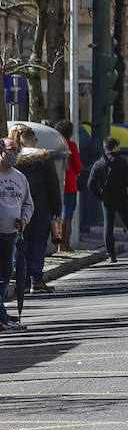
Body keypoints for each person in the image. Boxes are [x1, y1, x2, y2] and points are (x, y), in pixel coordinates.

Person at [11, 124, 61, 294]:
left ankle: (21, 281)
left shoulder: (13, 159)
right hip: (41, 208)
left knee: (20, 244)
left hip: (17, 209)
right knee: (39, 243)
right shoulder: (43, 158)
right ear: (35, 140)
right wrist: (56, 209)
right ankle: (36, 279)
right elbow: (53, 185)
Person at [88, 136, 128, 263]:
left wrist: (100, 196)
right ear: (115, 147)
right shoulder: (121, 161)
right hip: (121, 197)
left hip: (107, 198)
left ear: (104, 148)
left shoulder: (99, 164)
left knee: (108, 226)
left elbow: (91, 184)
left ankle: (111, 255)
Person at [0, 137, 34, 331]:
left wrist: (24, 219)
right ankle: (2, 317)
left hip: (12, 234)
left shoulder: (20, 177)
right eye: (11, 150)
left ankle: (2, 315)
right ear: (1, 151)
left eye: (16, 150)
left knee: (5, 275)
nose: (15, 154)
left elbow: (29, 203)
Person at [54, 120, 82, 252]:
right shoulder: (71, 145)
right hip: (70, 184)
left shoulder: (55, 145)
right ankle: (64, 243)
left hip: (56, 184)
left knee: (58, 214)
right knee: (67, 215)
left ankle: (58, 242)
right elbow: (78, 167)